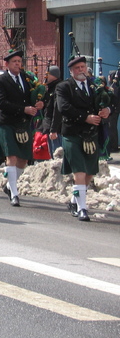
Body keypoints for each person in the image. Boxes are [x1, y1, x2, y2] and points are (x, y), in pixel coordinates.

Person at [55, 56, 112, 222]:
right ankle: (82, 208)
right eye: (77, 68)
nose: (81, 70)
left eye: (83, 67)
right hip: (73, 133)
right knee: (79, 170)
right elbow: (63, 107)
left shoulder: (95, 85)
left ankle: (74, 200)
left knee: (90, 172)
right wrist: (85, 118)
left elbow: (112, 99)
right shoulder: (64, 86)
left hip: (92, 134)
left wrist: (107, 109)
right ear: (71, 71)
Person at [0, 49, 44, 207]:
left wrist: (41, 102)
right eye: (14, 62)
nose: (18, 64)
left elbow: (36, 95)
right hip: (7, 122)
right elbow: (1, 103)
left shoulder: (28, 79)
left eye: (19, 62)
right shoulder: (1, 81)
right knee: (12, 157)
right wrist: (23, 109)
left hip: (23, 123)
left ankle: (9, 185)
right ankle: (14, 194)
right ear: (7, 64)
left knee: (23, 160)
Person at [42, 65, 63, 156]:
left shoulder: (58, 88)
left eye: (47, 74)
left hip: (56, 129)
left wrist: (54, 129)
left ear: (54, 75)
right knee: (53, 155)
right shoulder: (49, 88)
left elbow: (57, 110)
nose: (45, 76)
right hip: (50, 127)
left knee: (58, 156)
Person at [107, 70, 119, 153]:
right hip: (114, 109)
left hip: (114, 110)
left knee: (112, 127)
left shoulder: (115, 86)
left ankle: (113, 146)